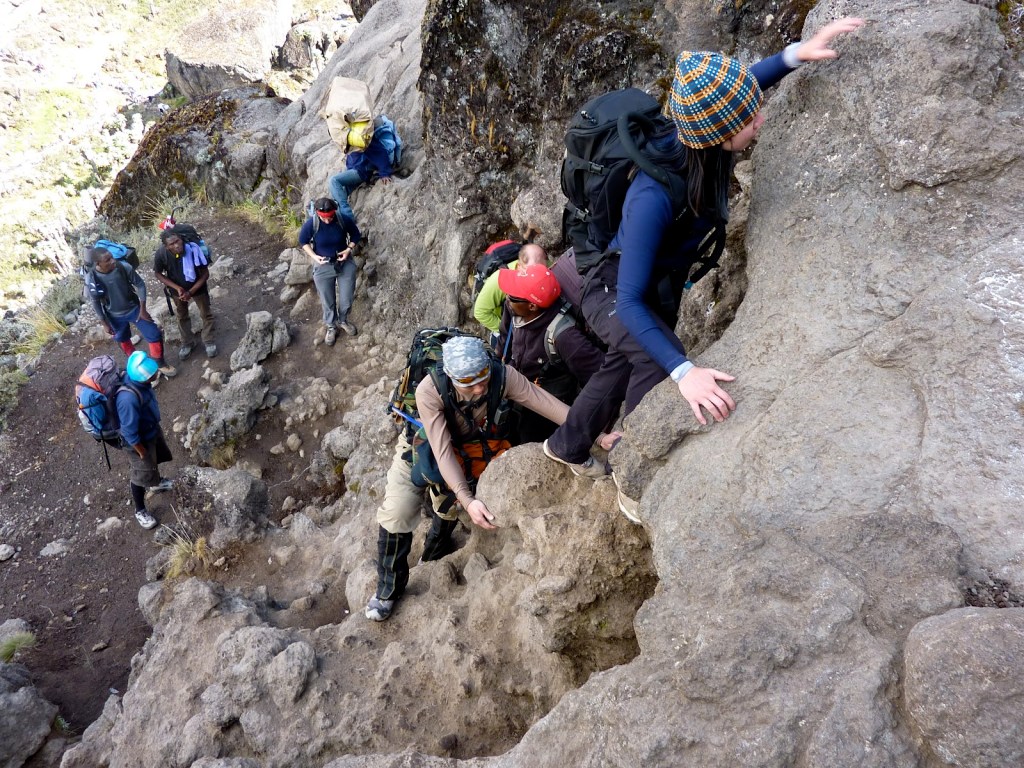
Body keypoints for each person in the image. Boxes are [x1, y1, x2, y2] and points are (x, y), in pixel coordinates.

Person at [543, 18, 865, 520]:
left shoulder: (700, 130)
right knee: (654, 360)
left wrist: (795, 55)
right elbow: (627, 302)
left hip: (653, 281)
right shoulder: (654, 193)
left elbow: (738, 93)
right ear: (719, 134)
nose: (759, 119)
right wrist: (684, 370)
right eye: (750, 118)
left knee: (624, 362)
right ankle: (633, 477)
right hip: (612, 288)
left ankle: (566, 445)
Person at [366, 335, 572, 622]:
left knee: (449, 507)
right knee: (398, 511)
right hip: (423, 445)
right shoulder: (430, 391)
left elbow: (546, 404)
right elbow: (441, 450)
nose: (479, 388)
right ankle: (387, 591)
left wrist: (594, 432)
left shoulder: (501, 375)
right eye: (469, 384)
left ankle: (433, 555)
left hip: (474, 445)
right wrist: (468, 498)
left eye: (483, 379)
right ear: (451, 377)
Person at [496, 264, 606, 444]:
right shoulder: (514, 309)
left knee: (528, 442)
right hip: (515, 389)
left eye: (512, 296)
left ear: (532, 306)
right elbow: (504, 337)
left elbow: (600, 376)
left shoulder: (565, 337)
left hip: (545, 409)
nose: (507, 298)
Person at [85, 246, 177, 379]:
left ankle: (159, 364)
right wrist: (104, 322)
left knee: (154, 334)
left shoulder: (123, 267)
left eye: (112, 257)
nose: (113, 261)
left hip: (134, 309)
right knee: (122, 339)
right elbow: (95, 301)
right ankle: (138, 366)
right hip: (113, 315)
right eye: (107, 260)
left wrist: (143, 309)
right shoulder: (92, 278)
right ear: (98, 264)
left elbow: (139, 284)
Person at [117, 351, 174, 529]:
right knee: (140, 474)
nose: (157, 374)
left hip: (150, 431)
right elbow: (129, 432)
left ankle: (155, 482)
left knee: (155, 459)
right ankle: (140, 510)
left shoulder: (138, 382)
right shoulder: (127, 399)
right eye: (154, 373)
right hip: (138, 442)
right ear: (144, 378)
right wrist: (141, 452)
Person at [298, 197, 363, 345]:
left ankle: (343, 320)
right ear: (317, 214)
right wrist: (315, 257)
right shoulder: (312, 224)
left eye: (330, 217)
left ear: (335, 212)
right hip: (323, 265)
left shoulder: (342, 219)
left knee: (346, 298)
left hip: (344, 263)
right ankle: (331, 326)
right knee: (327, 300)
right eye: (323, 218)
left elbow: (355, 235)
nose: (327, 221)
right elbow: (303, 241)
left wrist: (348, 249)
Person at [152, 226, 217, 360]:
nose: (177, 246)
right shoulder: (161, 254)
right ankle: (187, 343)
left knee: (206, 314)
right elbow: (158, 273)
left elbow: (205, 274)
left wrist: (191, 291)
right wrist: (177, 288)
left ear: (181, 239)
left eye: (178, 241)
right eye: (172, 244)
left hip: (198, 287)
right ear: (166, 246)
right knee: (182, 316)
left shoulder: (193, 250)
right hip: (178, 291)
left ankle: (208, 341)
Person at [328, 115, 402, 229]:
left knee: (334, 181)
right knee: (339, 192)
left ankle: (348, 216)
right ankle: (334, 218)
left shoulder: (359, 138)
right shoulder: (349, 139)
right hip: (355, 169)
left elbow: (380, 152)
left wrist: (384, 173)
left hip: (360, 172)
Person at [472, 242, 549, 337]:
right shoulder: (498, 280)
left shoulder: (545, 269)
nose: (537, 276)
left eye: (541, 271)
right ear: (519, 266)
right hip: (508, 323)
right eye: (533, 272)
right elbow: (480, 312)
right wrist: (507, 330)